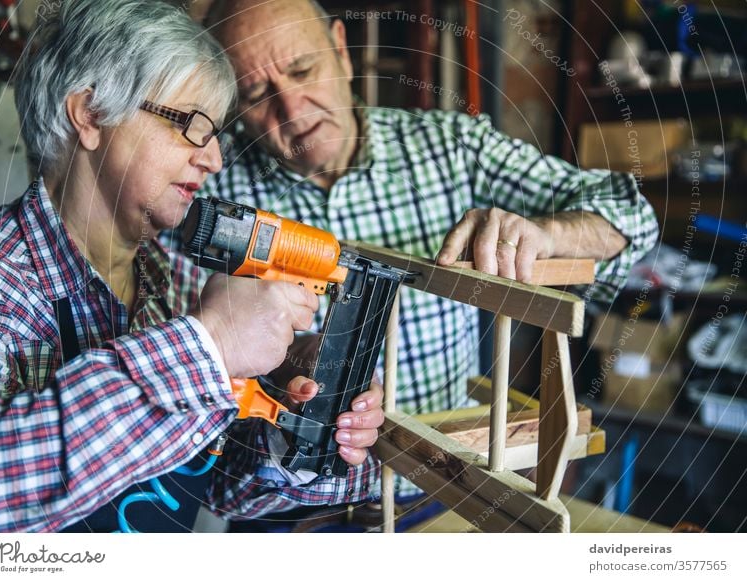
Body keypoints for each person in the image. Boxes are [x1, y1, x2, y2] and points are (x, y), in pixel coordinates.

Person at [194, 0, 659, 513]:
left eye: (304, 69)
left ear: (342, 53)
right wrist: (283, 372)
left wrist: (547, 234)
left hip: (440, 498)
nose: (294, 108)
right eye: (258, 93)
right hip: (290, 513)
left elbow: (630, 214)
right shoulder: (208, 196)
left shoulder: (450, 147)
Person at [0, 0, 383, 533]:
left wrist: (306, 423)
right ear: (90, 113)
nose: (213, 158)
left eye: (217, 132)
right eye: (192, 124)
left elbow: (217, 486)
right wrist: (211, 345)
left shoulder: (178, 285)